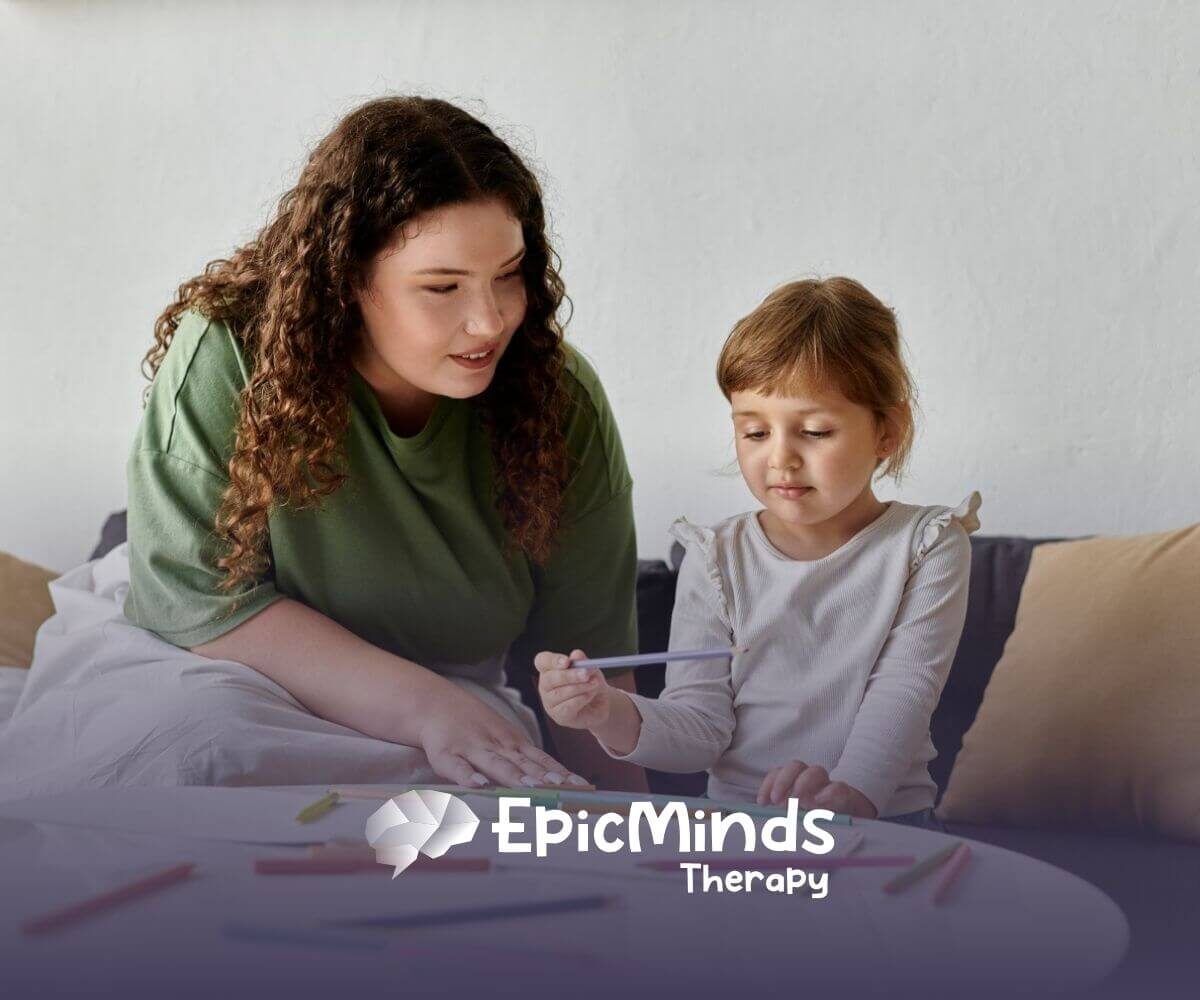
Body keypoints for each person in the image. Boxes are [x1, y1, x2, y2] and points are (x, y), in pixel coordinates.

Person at [1, 96, 648, 796]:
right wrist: (424, 706)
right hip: (201, 664)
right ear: (347, 280)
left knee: (474, 816)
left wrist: (629, 846)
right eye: (442, 286)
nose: (489, 319)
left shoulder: (558, 399)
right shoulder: (231, 353)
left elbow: (592, 676)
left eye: (509, 274)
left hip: (448, 698)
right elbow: (191, 602)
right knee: (199, 750)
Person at [535, 277, 980, 826]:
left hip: (884, 824)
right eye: (754, 432)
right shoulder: (715, 557)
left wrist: (852, 795)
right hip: (740, 829)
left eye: (815, 432)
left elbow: (904, 693)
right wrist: (607, 713)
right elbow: (699, 730)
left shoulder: (929, 544)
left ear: (888, 431)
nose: (781, 459)